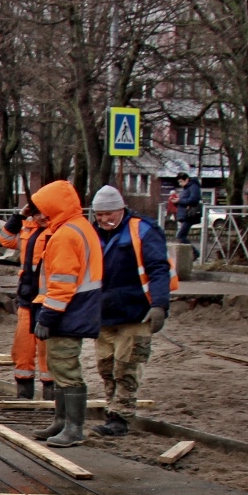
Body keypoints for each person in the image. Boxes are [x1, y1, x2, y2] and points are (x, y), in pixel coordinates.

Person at [88, 184, 172, 437]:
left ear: (121, 209)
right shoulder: (93, 233)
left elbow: (158, 269)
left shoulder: (143, 230)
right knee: (106, 367)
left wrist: (159, 304)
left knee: (127, 367)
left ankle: (120, 417)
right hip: (104, 313)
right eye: (99, 215)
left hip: (136, 312)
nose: (104, 219)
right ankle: (111, 409)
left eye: (109, 214)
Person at [27, 180, 103, 448]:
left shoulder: (65, 235)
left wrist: (47, 316)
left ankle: (73, 428)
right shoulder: (79, 227)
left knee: (65, 366)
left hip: (69, 311)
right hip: (77, 308)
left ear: (53, 207)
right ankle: (61, 422)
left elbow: (62, 283)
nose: (39, 216)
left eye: (42, 210)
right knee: (60, 366)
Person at [0, 203, 53, 401]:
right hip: (27, 299)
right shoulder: (28, 229)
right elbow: (5, 239)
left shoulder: (60, 231)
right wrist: (19, 216)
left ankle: (50, 396)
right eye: (36, 213)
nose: (41, 217)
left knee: (48, 352)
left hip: (48, 301)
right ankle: (24, 394)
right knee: (23, 349)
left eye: (45, 213)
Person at [172, 171, 202, 246]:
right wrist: (176, 202)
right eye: (179, 182)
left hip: (189, 215)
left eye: (181, 181)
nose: (180, 184)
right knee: (181, 236)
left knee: (180, 236)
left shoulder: (193, 187)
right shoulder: (186, 188)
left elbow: (194, 200)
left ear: (187, 179)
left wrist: (179, 200)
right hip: (185, 215)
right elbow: (184, 201)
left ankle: (193, 251)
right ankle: (192, 251)